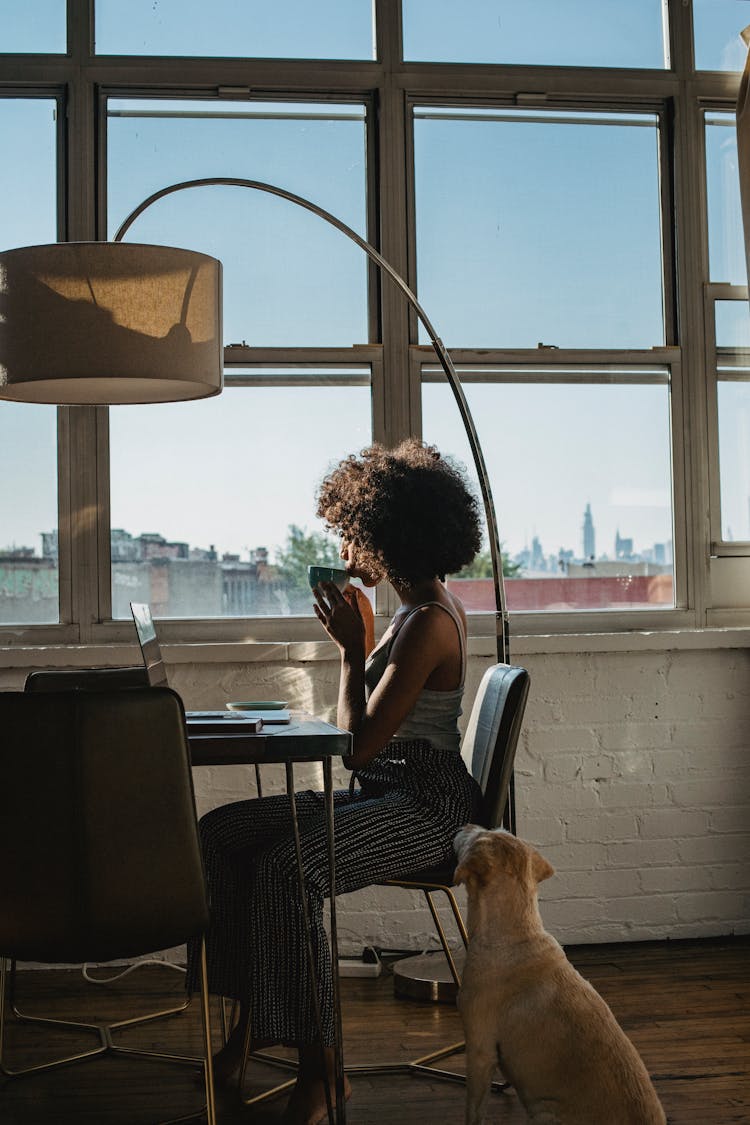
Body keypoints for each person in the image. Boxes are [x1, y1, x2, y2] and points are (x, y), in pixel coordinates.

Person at [189, 439, 484, 1125]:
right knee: (220, 833)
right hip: (390, 789)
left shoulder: (431, 623)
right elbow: (365, 739)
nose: (346, 548)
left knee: (290, 869)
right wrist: (360, 644)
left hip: (426, 805)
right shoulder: (410, 613)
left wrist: (352, 652)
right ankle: (255, 1022)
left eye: (353, 535)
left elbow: (359, 745)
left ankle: (324, 1068)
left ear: (388, 539)